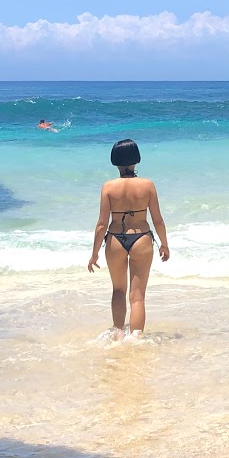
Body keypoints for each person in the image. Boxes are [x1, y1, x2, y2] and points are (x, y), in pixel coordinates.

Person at [87, 138, 170, 339]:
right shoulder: (148, 185)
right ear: (136, 159)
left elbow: (101, 224)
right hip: (141, 239)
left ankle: (117, 335)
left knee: (118, 290)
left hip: (115, 240)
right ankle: (137, 339)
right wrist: (164, 244)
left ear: (114, 160)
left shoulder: (108, 187)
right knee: (138, 296)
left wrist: (94, 253)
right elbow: (158, 219)